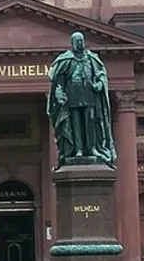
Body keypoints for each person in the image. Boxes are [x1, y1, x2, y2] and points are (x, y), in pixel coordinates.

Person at [47, 32, 114, 166]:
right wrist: (59, 94)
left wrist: (100, 84)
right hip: (73, 95)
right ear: (72, 43)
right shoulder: (66, 59)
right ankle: (77, 149)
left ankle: (92, 148)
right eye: (77, 41)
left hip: (89, 94)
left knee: (90, 121)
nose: (80, 43)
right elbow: (58, 79)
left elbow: (100, 74)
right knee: (76, 124)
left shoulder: (91, 58)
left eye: (81, 40)